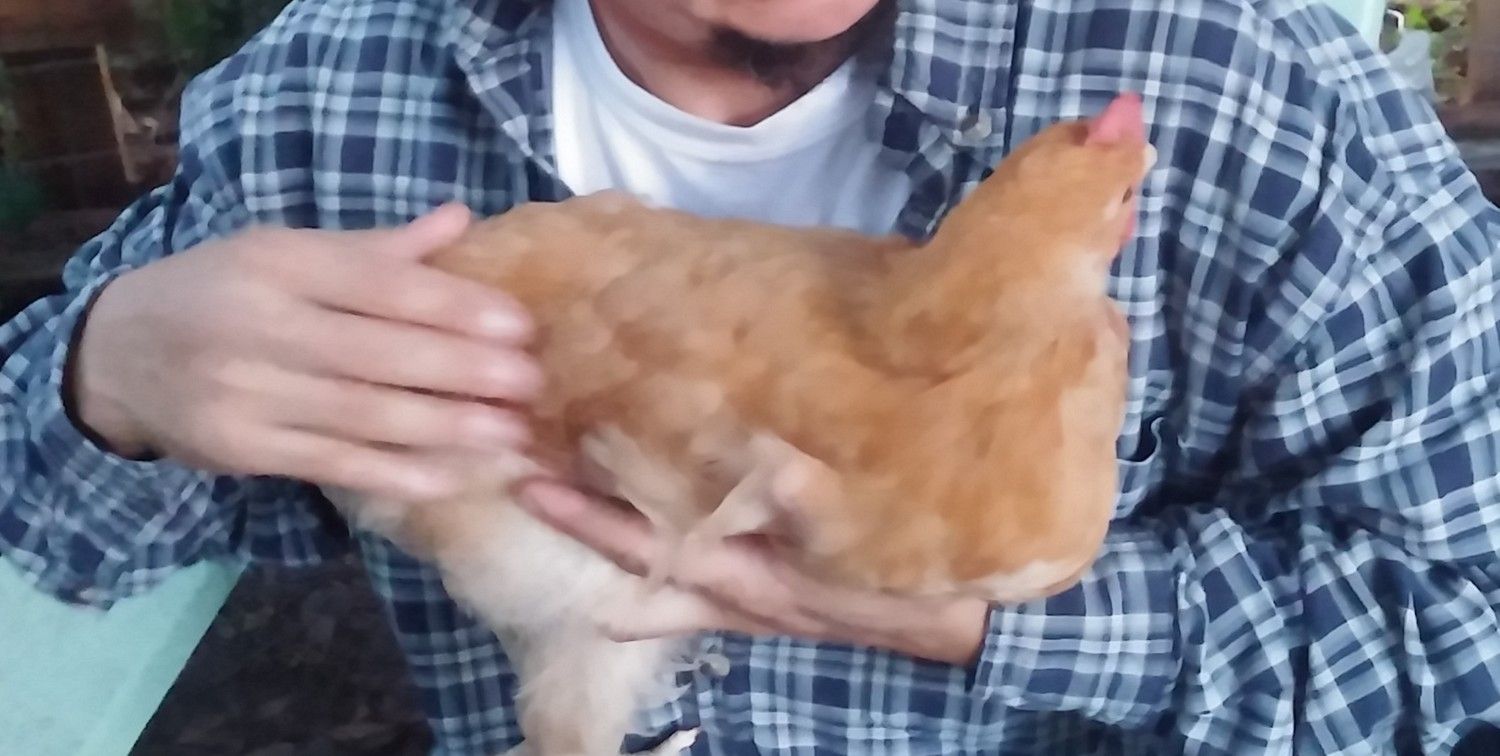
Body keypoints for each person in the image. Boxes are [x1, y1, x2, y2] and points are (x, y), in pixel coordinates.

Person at [2, 0, 1497, 752]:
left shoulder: (1248, 92)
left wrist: (984, 618)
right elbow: (53, 512)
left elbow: (1461, 638)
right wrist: (107, 376)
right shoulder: (329, 96)